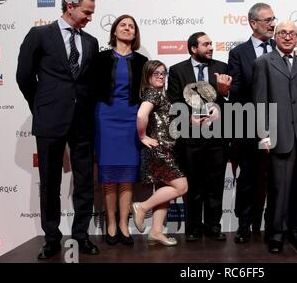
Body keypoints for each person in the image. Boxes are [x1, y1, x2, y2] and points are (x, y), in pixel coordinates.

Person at [16, 0, 99, 259]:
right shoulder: (39, 35)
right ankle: (51, 238)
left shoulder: (90, 42)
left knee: (85, 182)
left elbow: (89, 83)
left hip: (83, 122)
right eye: (87, 12)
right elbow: (24, 77)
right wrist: (41, 107)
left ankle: (81, 236)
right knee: (50, 182)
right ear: (70, 6)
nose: (90, 17)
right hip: (50, 120)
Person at [252, 21, 297, 253]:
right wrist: (263, 134)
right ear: (275, 35)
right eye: (283, 32)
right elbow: (260, 102)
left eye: (292, 33)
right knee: (278, 189)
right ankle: (276, 234)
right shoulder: (263, 62)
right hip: (278, 136)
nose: (287, 37)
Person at [167, 32, 232, 242]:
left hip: (217, 137)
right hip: (190, 139)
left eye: (211, 43)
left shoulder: (221, 67)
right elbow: (174, 101)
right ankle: (193, 227)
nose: (211, 47)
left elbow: (229, 98)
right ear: (194, 48)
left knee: (215, 184)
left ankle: (213, 226)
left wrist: (224, 96)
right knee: (193, 185)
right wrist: (189, 119)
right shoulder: (178, 70)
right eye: (206, 44)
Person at [93, 15, 148, 246]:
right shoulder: (100, 58)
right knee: (109, 175)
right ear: (114, 31)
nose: (127, 29)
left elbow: (148, 93)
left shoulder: (143, 61)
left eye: (131, 26)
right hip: (105, 118)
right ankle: (111, 225)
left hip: (131, 119)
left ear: (135, 34)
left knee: (126, 175)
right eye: (122, 25)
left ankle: (124, 225)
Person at [227, 3, 277, 243]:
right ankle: (244, 225)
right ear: (253, 23)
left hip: (279, 122)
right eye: (267, 20)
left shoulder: (282, 47)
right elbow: (235, 90)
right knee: (247, 178)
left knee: (278, 177)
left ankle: (274, 224)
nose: (272, 24)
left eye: (273, 19)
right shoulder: (238, 53)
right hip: (248, 123)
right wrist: (225, 89)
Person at [131, 60, 188, 246]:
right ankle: (143, 207)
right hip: (159, 150)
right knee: (181, 187)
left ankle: (156, 232)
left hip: (166, 149)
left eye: (163, 73)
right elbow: (141, 115)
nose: (161, 76)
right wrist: (142, 137)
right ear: (147, 76)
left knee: (166, 191)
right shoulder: (153, 93)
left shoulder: (161, 95)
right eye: (156, 73)